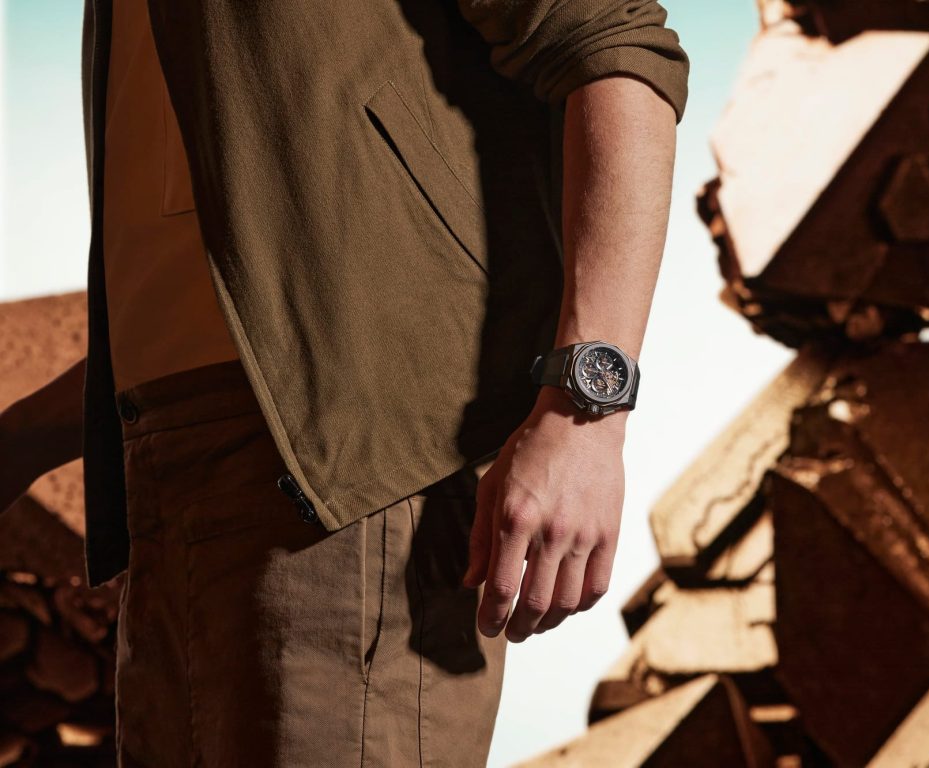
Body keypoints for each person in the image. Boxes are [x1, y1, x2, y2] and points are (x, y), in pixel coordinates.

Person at [0, 0, 688, 764]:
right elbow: (237, 300)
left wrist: (583, 413)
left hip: (361, 483)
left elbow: (614, 44)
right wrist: (20, 440)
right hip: (164, 493)